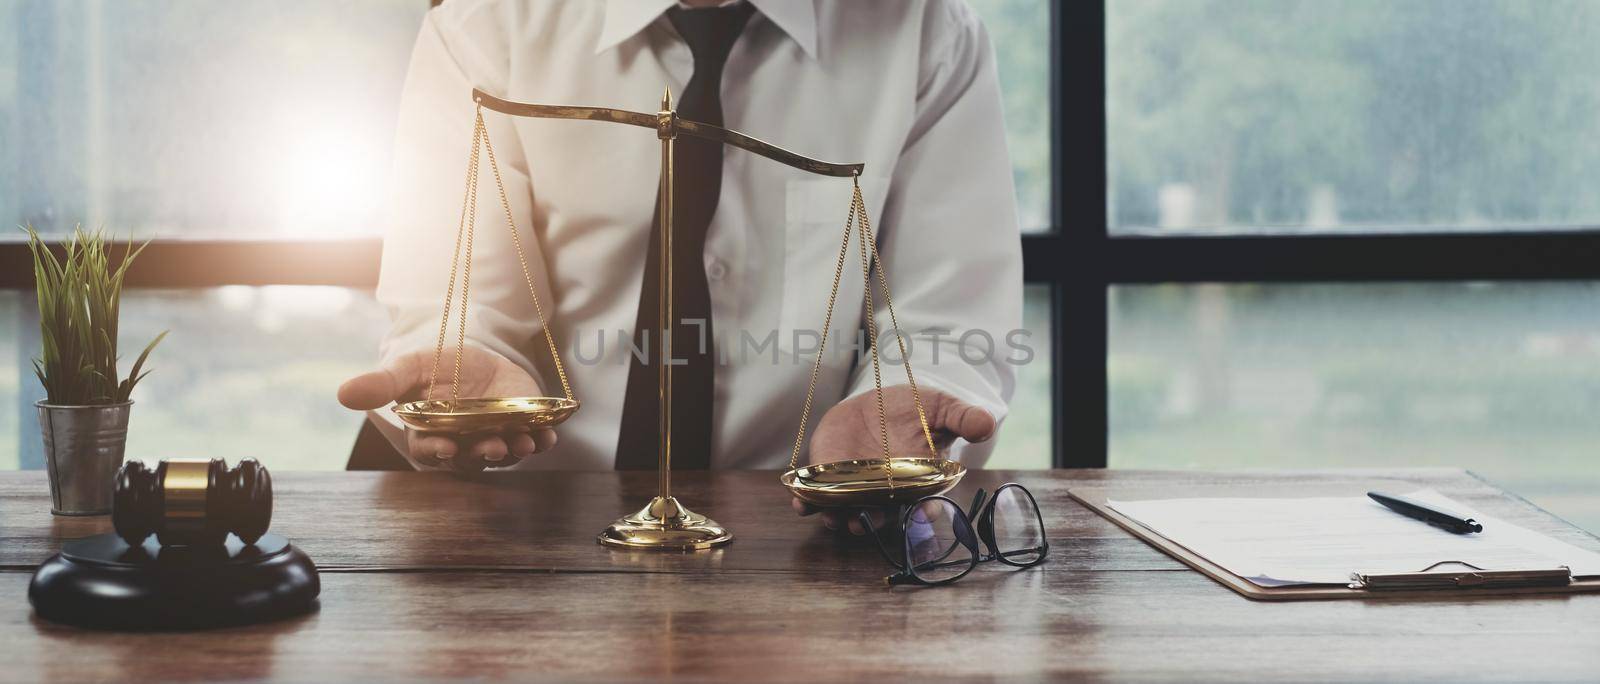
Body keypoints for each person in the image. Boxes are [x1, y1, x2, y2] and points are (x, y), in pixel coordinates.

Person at [337, 0, 1022, 534]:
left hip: (800, 534)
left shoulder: (926, 31)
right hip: (521, 515)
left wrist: (899, 409)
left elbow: (944, 318)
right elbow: (459, 308)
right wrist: (462, 369)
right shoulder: (486, 27)